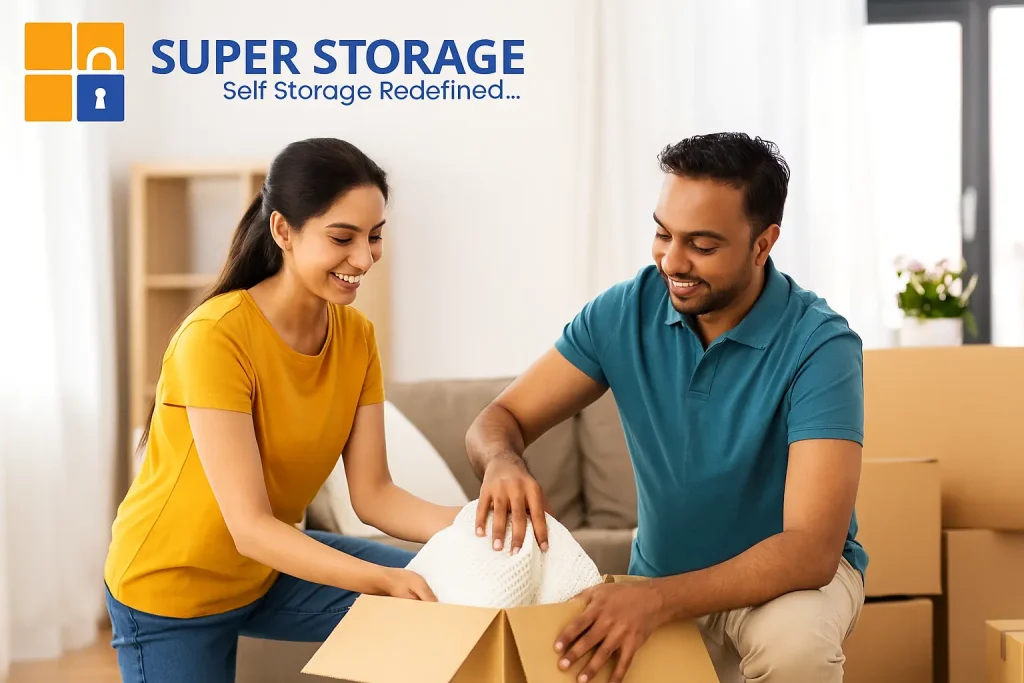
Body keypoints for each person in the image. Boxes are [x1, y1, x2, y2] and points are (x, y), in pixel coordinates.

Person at [466, 132, 867, 683]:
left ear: (762, 244)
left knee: (795, 648)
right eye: (662, 233)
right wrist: (502, 462)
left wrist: (655, 600)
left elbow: (810, 551)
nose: (671, 261)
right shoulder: (623, 312)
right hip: (659, 578)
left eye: (702, 246)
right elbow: (498, 420)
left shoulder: (820, 346)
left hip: (788, 588)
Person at [103, 138, 460, 683]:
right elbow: (248, 526)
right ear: (282, 231)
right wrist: (379, 582)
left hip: (266, 572)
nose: (363, 259)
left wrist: (480, 526)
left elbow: (375, 495)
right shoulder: (216, 338)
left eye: (375, 236)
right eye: (342, 237)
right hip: (171, 589)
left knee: (456, 592)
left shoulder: (356, 336)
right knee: (399, 588)